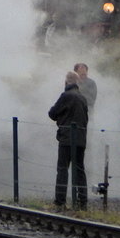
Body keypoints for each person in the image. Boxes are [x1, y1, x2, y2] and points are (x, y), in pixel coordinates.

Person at [48, 70, 89, 209]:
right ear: (77, 83)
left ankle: (60, 200)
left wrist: (61, 119)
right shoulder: (83, 98)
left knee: (63, 169)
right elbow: (86, 119)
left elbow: (52, 113)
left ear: (66, 82)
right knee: (79, 169)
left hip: (66, 137)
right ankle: (83, 201)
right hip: (81, 138)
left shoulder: (66, 96)